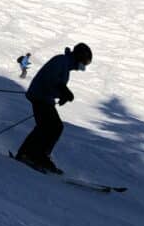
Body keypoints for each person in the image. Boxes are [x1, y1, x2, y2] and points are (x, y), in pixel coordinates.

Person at [15, 43, 93, 174]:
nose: (82, 68)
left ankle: (31, 154)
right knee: (51, 127)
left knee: (49, 127)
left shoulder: (65, 64)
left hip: (44, 98)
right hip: (40, 96)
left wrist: (62, 95)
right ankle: (34, 155)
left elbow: (55, 83)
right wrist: (63, 90)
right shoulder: (61, 60)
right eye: (83, 64)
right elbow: (50, 79)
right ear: (79, 57)